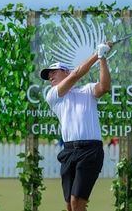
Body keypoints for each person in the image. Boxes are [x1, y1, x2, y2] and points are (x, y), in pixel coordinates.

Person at [40, 42, 113, 211]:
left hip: (90, 151)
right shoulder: (53, 96)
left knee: (76, 202)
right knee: (70, 206)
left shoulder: (87, 91)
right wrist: (97, 53)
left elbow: (104, 86)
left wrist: (102, 58)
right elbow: (75, 75)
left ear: (65, 71)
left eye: (53, 72)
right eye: (48, 74)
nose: (50, 76)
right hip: (68, 151)